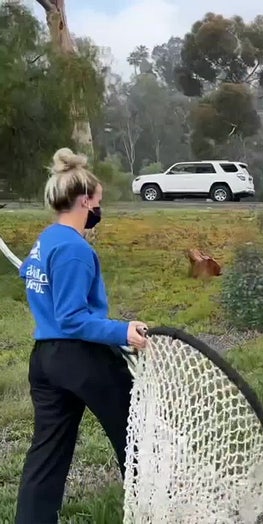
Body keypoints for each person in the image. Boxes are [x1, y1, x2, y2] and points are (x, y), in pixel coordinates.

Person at [15, 148, 150, 524]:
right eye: (99, 203)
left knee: (48, 450)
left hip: (45, 361)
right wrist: (123, 330)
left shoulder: (46, 241)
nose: (99, 212)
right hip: (81, 357)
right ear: (85, 200)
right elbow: (72, 318)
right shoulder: (75, 249)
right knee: (137, 435)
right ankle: (154, 509)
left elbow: (30, 273)